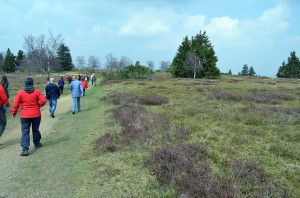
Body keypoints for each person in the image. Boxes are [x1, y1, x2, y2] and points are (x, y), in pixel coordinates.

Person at [12, 77, 47, 156]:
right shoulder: (37, 91)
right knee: (35, 129)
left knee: (25, 132)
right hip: (36, 114)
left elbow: (16, 104)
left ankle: (25, 149)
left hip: (24, 115)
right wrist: (38, 105)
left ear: (25, 83)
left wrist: (14, 113)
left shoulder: (20, 92)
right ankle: (37, 143)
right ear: (32, 83)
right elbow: (44, 100)